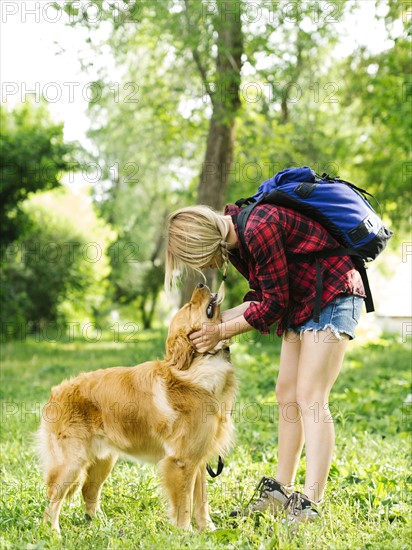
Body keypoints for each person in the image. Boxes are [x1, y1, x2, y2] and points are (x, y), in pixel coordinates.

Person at [164, 202, 365, 525]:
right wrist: (210, 326)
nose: (202, 267)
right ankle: (279, 493)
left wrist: (221, 331)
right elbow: (263, 295)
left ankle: (310, 504)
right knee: (287, 393)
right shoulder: (237, 241)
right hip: (302, 300)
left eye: (195, 258)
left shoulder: (258, 227)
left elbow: (273, 305)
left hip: (332, 294)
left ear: (202, 245)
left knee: (311, 397)